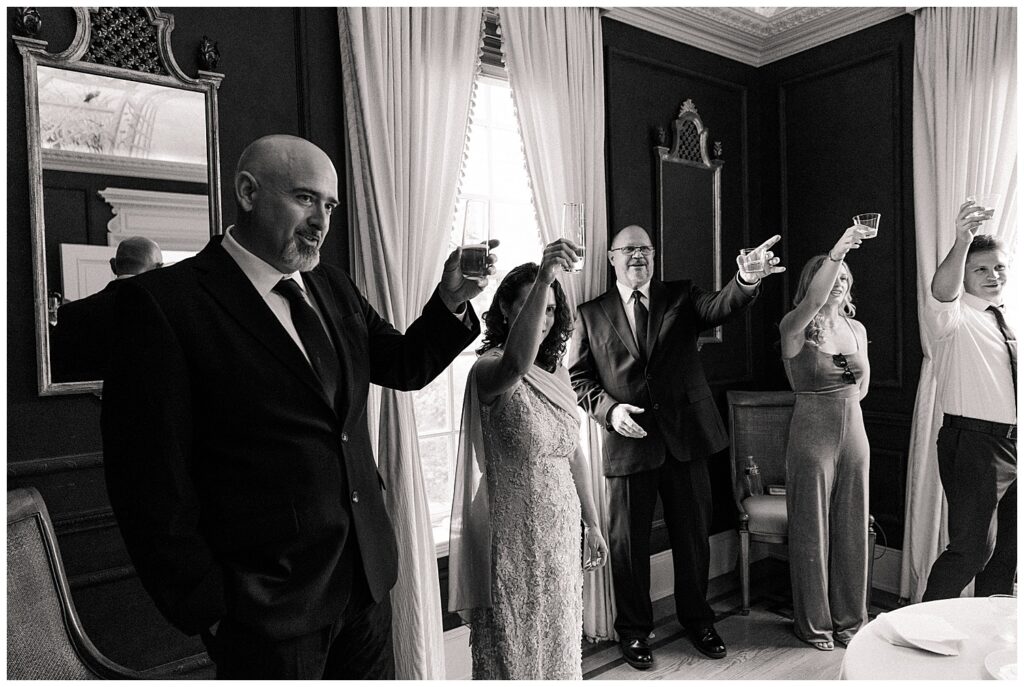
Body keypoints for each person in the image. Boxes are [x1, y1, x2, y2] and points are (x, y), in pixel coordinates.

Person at [101, 135, 496, 679]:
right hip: (262, 611)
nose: (321, 222)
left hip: (364, 584)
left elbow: (403, 365)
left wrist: (451, 299)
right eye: (306, 199)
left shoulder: (330, 286)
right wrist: (206, 607)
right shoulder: (166, 304)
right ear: (247, 191)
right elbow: (147, 477)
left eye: (329, 206)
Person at [569, 225, 784, 668]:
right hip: (628, 444)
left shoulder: (682, 297)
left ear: (653, 255)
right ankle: (632, 631)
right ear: (611, 258)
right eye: (628, 249)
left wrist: (746, 280)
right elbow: (579, 378)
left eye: (645, 248)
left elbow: (722, 306)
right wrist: (610, 412)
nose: (637, 256)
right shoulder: (590, 314)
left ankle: (698, 619)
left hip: (687, 439)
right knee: (627, 545)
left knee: (692, 539)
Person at [448, 241, 609, 680]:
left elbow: (571, 451)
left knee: (559, 646)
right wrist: (544, 279)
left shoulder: (556, 373)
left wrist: (592, 524)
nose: (543, 321)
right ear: (504, 309)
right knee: (515, 650)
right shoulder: (489, 368)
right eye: (534, 307)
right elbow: (517, 364)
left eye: (553, 310)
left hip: (560, 533)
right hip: (511, 535)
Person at [778, 226, 870, 651]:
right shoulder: (794, 325)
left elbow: (863, 385)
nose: (840, 284)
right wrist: (837, 251)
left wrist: (850, 394)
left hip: (854, 429)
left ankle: (851, 620)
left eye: (845, 278)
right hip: (812, 429)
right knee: (811, 528)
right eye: (833, 276)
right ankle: (813, 624)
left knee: (852, 526)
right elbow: (815, 301)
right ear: (815, 282)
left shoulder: (857, 328)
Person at [922, 200, 1016, 601]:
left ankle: (988, 643)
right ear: (965, 275)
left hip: (1013, 443)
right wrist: (961, 241)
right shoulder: (954, 316)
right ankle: (917, 634)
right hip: (973, 444)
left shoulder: (1010, 316)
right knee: (973, 549)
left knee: (1007, 554)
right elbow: (940, 290)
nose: (993, 276)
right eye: (981, 269)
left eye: (998, 267)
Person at [50, 236, 163, 382]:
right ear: (159, 268)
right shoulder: (165, 312)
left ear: (113, 265)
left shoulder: (71, 313)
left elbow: (57, 372)